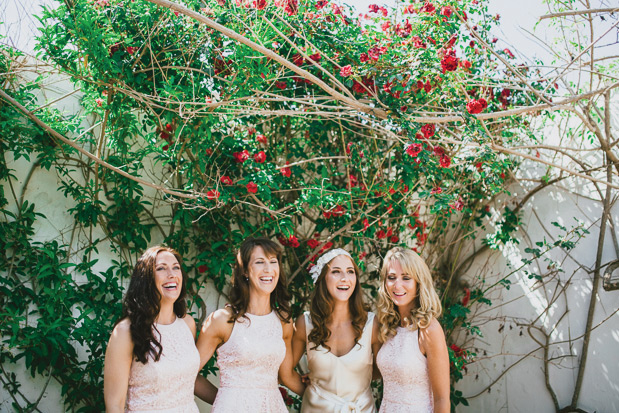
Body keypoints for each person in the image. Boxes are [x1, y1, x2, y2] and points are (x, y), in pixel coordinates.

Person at [195, 237, 304, 412]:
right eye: (260, 262)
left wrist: (325, 397)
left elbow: (287, 376)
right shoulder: (222, 320)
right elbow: (189, 375)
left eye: (273, 262)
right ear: (245, 271)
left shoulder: (284, 320)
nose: (268, 269)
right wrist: (224, 399)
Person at [104, 246, 202, 412]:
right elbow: (115, 405)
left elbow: (189, 379)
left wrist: (228, 398)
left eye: (176, 267)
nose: (171, 274)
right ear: (145, 279)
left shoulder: (188, 324)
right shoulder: (125, 331)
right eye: (161, 268)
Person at [290, 248, 381, 412]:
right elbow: (286, 373)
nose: (345, 278)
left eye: (350, 271)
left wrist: (354, 381)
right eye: (336, 272)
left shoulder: (371, 324)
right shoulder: (306, 323)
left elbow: (383, 370)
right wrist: (318, 394)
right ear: (323, 278)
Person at [375, 247, 450, 413]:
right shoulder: (388, 326)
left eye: (406, 278)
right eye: (392, 277)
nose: (397, 285)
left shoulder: (428, 329)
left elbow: (442, 399)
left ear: (418, 282)